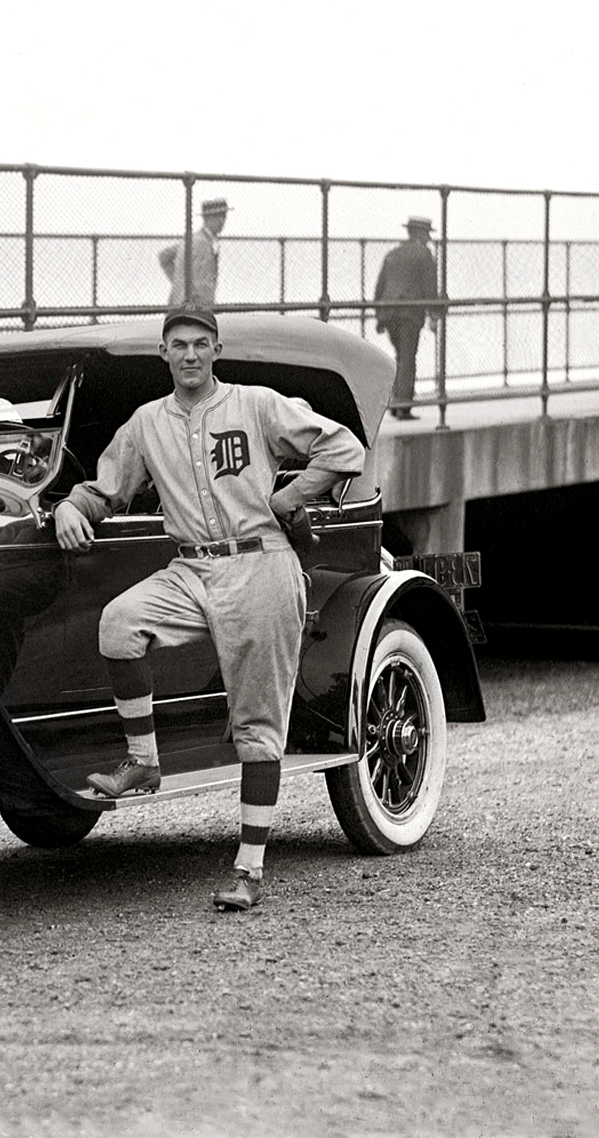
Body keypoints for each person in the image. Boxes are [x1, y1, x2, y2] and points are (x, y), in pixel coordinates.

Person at [53, 302, 365, 911]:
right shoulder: (147, 422)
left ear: (216, 350)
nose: (190, 354)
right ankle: (143, 762)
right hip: (192, 567)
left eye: (201, 343)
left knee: (257, 729)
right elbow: (104, 489)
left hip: (260, 564)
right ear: (163, 354)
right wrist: (70, 506)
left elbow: (343, 449)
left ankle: (249, 868)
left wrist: (290, 497)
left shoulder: (256, 404)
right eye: (179, 344)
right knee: (120, 624)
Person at [372, 216, 443, 420]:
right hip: (410, 313)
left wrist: (379, 316)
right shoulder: (424, 255)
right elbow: (430, 288)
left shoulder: (393, 254)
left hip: (388, 313)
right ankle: (403, 405)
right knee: (408, 358)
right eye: (427, 234)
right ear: (421, 234)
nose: (429, 239)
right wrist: (434, 314)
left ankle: (395, 402)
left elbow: (380, 287)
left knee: (400, 357)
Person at [158, 197, 229, 306]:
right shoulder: (201, 242)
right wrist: (181, 285)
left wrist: (179, 284)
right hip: (193, 307)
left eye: (224, 216)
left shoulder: (194, 239)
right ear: (207, 218)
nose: (222, 220)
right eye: (217, 216)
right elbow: (202, 285)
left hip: (183, 303)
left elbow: (164, 256)